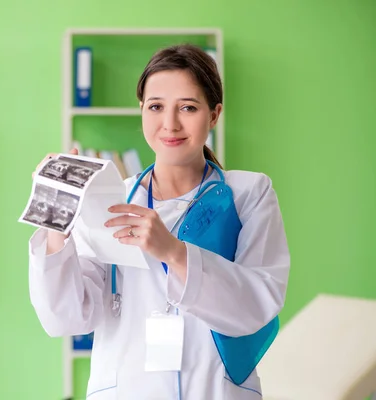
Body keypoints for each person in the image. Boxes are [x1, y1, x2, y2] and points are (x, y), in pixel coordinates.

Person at [28, 44, 290, 399]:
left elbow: (257, 305)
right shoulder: (111, 199)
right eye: (156, 107)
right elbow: (67, 318)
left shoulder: (248, 193)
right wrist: (55, 219)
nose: (170, 124)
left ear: (214, 115)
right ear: (141, 110)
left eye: (188, 107)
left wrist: (174, 252)